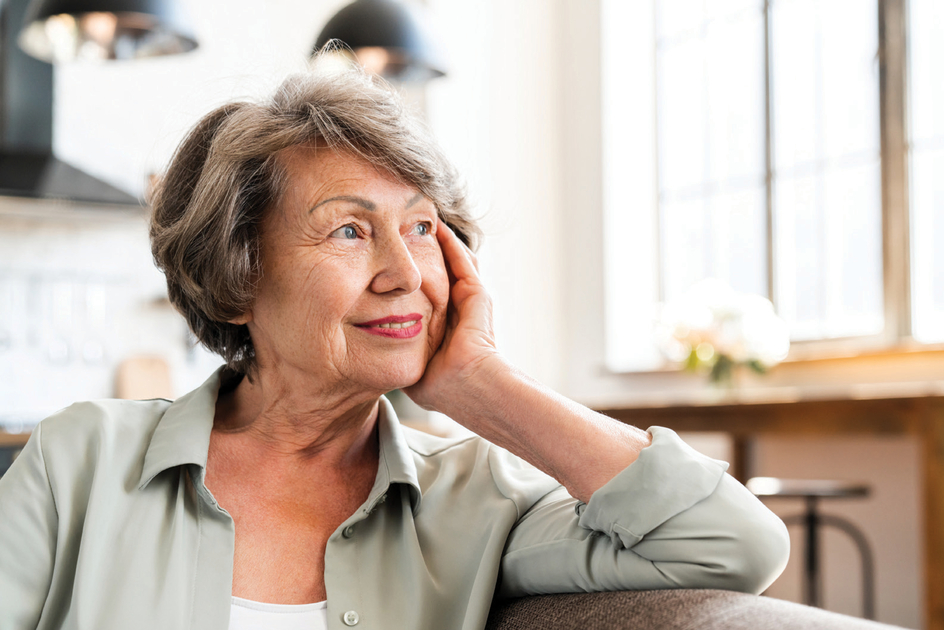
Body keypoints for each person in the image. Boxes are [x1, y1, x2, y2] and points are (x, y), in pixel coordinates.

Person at [0, 62, 789, 630]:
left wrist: (482, 383)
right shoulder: (81, 460)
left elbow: (733, 544)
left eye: (420, 227)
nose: (405, 272)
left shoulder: (482, 499)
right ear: (237, 277)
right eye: (349, 230)